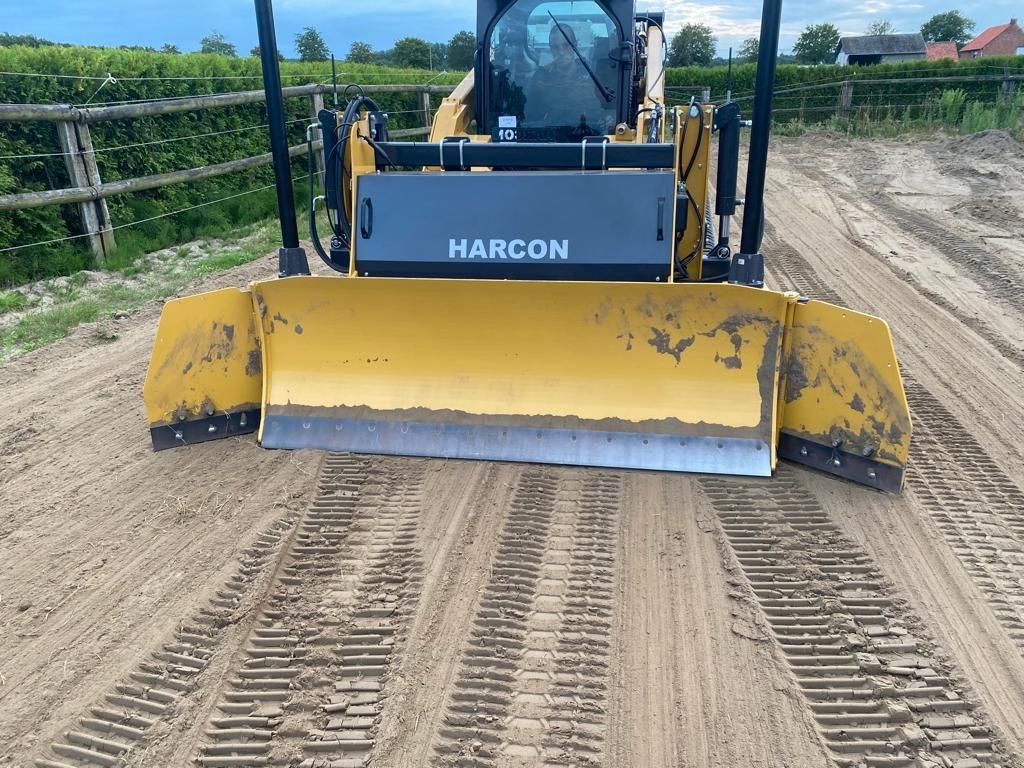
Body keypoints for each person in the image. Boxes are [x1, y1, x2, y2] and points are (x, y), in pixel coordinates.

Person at [528, 24, 607, 131]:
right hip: (552, 139)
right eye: (555, 47)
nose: (561, 52)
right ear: (550, 49)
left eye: (566, 45)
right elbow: (531, 116)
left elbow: (606, 109)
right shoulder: (541, 77)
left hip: (590, 137)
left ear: (575, 46)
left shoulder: (592, 75)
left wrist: (608, 120)